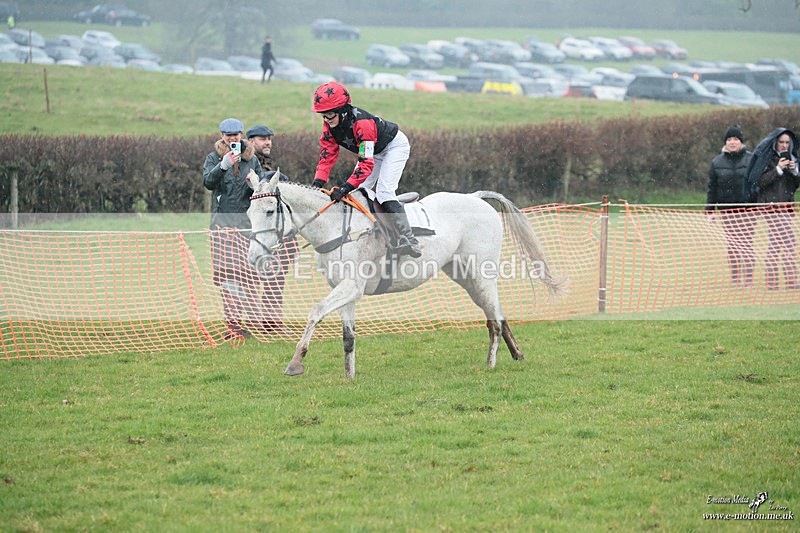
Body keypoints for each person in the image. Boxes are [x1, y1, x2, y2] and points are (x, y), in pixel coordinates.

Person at [309, 81, 422, 258]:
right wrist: (318, 182)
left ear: (342, 110)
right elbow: (327, 154)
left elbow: (365, 164)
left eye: (330, 114)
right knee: (357, 195)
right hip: (373, 152)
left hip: (394, 147)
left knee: (384, 192)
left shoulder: (362, 124)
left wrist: (345, 187)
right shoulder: (329, 126)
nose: (327, 120)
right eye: (323, 115)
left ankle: (409, 239)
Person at [202, 118, 274, 339]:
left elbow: (262, 189)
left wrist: (256, 184)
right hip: (222, 226)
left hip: (247, 227)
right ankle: (233, 327)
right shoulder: (213, 157)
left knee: (250, 277)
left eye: (236, 134)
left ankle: (250, 323)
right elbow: (208, 182)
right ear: (222, 135)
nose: (232, 138)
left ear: (242, 135)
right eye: (228, 134)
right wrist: (221, 166)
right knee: (228, 278)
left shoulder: (251, 159)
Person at [246, 123, 298, 331]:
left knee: (275, 280)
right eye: (262, 139)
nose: (268, 142)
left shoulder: (267, 162)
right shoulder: (249, 161)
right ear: (251, 141)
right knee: (252, 279)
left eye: (269, 138)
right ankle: (254, 323)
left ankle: (271, 323)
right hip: (258, 230)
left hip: (275, 231)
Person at [746, 127, 800, 290]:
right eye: (781, 142)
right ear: (775, 142)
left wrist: (794, 171)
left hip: (786, 206)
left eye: (787, 143)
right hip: (770, 206)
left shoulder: (792, 158)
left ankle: (772, 283)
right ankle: (792, 282)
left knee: (775, 245)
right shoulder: (766, 159)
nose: (784, 146)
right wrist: (777, 169)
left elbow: (796, 185)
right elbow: (758, 182)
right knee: (789, 242)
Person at [706, 124, 756, 286]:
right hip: (727, 211)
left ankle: (748, 278)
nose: (732, 142)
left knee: (747, 243)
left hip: (748, 210)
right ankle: (735, 278)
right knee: (733, 245)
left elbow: (758, 183)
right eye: (729, 139)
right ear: (725, 142)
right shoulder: (716, 162)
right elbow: (712, 188)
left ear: (741, 141)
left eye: (735, 139)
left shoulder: (751, 159)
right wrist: (710, 211)